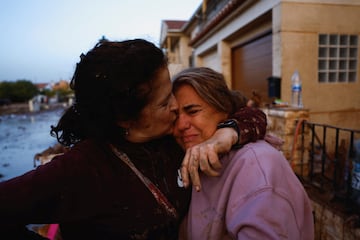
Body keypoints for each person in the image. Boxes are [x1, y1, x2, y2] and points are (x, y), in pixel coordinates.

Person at [0, 39, 267, 240]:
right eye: (165, 103)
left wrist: (224, 134)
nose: (176, 107)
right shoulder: (85, 168)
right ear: (125, 119)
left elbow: (250, 112)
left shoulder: (169, 138)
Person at [172, 67, 314, 240]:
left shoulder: (257, 166)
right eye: (174, 115)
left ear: (224, 108)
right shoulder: (194, 157)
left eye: (192, 111)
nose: (180, 125)